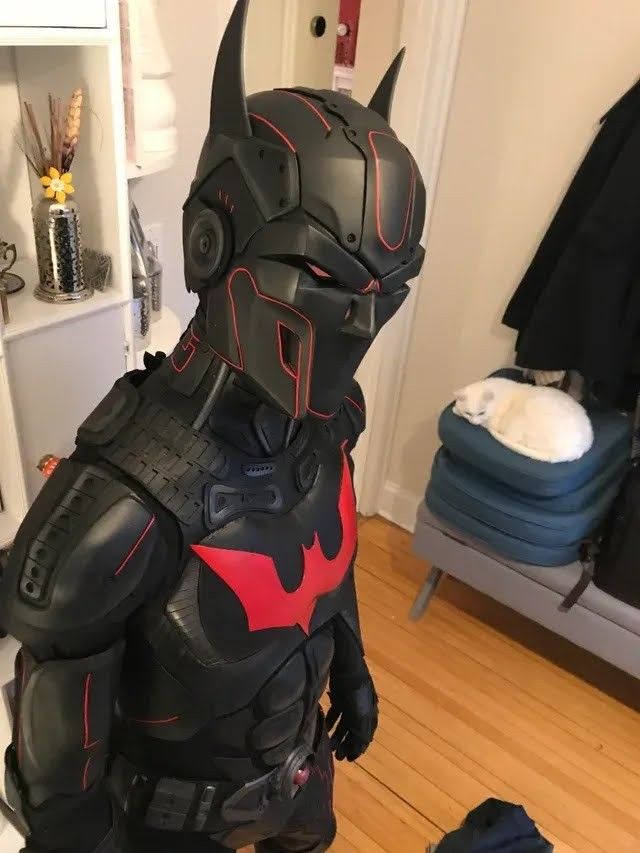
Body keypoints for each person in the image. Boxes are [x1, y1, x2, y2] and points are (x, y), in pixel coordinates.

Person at [0, 2, 426, 850]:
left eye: (385, 288)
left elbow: (321, 560)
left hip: (296, 775)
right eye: (323, 277)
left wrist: (352, 666)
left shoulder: (329, 424)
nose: (357, 321)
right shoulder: (124, 500)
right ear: (212, 243)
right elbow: (61, 786)